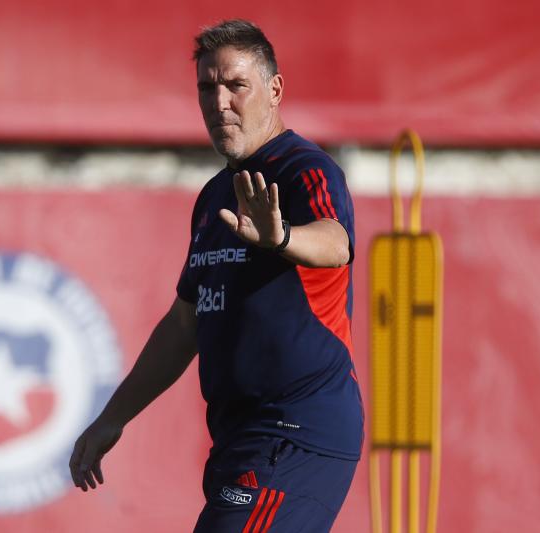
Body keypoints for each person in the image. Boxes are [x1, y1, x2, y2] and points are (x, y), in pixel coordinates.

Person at [70, 19, 363, 532]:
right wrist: (112, 417)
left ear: (274, 90)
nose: (219, 101)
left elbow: (336, 245)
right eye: (207, 87)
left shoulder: (306, 169)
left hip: (293, 431)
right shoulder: (214, 196)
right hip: (239, 437)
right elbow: (184, 325)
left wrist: (284, 239)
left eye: (236, 85)